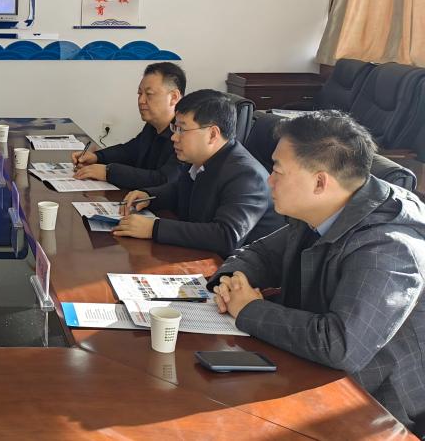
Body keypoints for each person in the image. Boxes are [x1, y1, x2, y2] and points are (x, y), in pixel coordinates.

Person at [210, 111, 425, 436]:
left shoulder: (389, 246)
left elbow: (341, 344)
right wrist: (231, 282)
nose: (269, 180)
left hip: (375, 405)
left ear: (320, 182)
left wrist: (249, 309)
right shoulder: (323, 209)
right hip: (313, 371)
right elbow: (260, 253)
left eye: (277, 170)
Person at [117, 89, 283, 258]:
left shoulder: (247, 176)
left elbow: (226, 236)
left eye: (182, 129)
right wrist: (148, 196)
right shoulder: (200, 159)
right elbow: (178, 192)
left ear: (212, 134)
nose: (174, 137)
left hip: (237, 269)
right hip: (202, 256)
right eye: (175, 128)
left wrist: (154, 228)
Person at [72, 62, 185, 190]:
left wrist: (109, 172)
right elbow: (130, 151)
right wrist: (97, 157)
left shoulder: (185, 134)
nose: (141, 100)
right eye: (139, 93)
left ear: (174, 97)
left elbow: (164, 179)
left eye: (149, 94)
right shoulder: (153, 125)